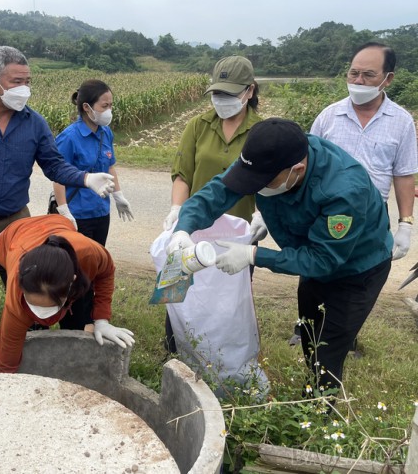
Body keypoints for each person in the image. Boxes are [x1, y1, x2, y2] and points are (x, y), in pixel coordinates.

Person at [167, 118, 393, 395]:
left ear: (297, 170)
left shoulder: (344, 191)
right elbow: (219, 191)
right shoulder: (269, 155)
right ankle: (313, 389)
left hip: (356, 270)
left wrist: (254, 255)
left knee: (328, 349)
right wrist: (183, 228)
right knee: (309, 334)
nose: (254, 186)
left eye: (263, 182)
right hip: (308, 258)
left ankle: (320, 416)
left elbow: (323, 260)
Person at [0, 46, 115, 312]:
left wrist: (85, 179)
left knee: (24, 284)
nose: (24, 89)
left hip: (15, 221)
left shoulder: (34, 123)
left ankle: (22, 332)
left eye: (28, 82)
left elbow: (54, 166)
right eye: (17, 82)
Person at [283, 42, 418, 347]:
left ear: (388, 78)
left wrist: (405, 224)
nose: (358, 81)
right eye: (353, 73)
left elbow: (404, 174)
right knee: (315, 270)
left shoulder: (401, 122)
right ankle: (305, 326)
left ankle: (345, 337)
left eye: (368, 75)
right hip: (324, 213)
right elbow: (305, 163)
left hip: (370, 218)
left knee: (359, 275)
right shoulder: (330, 116)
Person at [161, 55, 263, 353]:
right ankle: (173, 351)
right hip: (191, 228)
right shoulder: (198, 125)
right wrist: (177, 209)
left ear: (250, 91)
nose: (222, 101)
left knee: (227, 300)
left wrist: (262, 214)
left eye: (230, 94)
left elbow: (269, 184)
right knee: (177, 291)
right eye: (217, 93)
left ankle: (218, 355)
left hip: (237, 231)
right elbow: (183, 174)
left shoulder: (261, 132)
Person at [0, 214, 135, 373]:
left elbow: (106, 272)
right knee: (30, 329)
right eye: (35, 307)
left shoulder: (88, 254)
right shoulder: (17, 289)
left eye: (50, 308)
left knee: (78, 321)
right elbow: (7, 355)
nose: (44, 318)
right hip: (12, 238)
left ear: (72, 283)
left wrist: (102, 320)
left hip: (59, 225)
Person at [52, 79, 134, 246]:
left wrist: (118, 196)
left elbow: (110, 166)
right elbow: (58, 176)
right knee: (79, 265)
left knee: (97, 260)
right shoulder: (69, 138)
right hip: (77, 214)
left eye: (111, 105)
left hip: (101, 211)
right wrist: (63, 210)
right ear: (86, 107)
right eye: (104, 106)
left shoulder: (106, 133)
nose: (109, 111)